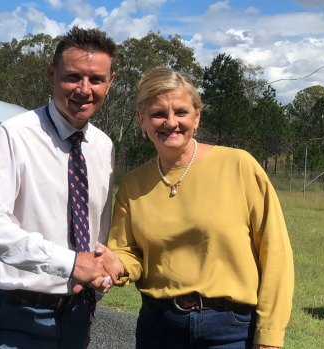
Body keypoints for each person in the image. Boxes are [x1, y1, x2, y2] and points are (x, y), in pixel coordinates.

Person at [107, 66, 294, 349]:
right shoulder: (133, 185)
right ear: (141, 120)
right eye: (158, 114)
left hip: (231, 332)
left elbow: (276, 255)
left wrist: (269, 336)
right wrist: (115, 264)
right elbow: (127, 251)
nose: (171, 122)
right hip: (159, 328)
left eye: (181, 112)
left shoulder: (239, 166)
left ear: (197, 116)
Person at [0, 26, 120, 349]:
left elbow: (97, 228)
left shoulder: (103, 146)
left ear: (111, 82)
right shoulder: (14, 135)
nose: (84, 89)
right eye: (73, 76)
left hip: (77, 312)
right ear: (52, 74)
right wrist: (70, 262)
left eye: (96, 79)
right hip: (16, 312)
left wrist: (102, 267)